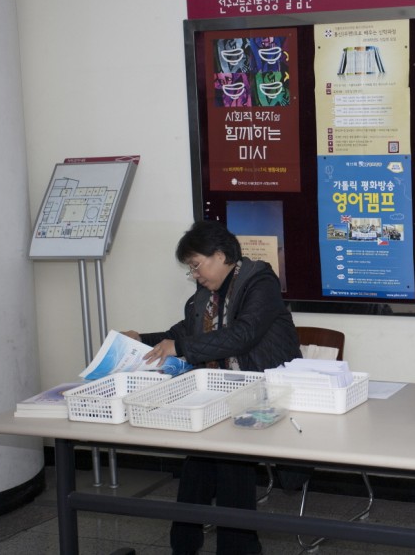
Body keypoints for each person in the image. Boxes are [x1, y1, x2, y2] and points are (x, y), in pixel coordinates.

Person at [124, 219, 302, 555]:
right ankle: (185, 546)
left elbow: (242, 335)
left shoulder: (260, 282)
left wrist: (180, 347)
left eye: (196, 265)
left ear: (220, 255)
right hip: (221, 395)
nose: (194, 275)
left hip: (264, 394)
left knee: (230, 460)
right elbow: (184, 332)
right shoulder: (207, 296)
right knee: (198, 463)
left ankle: (237, 549)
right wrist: (142, 339)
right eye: (190, 269)